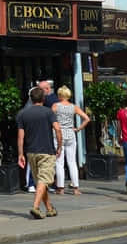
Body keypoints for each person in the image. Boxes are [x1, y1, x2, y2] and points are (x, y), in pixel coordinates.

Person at [17, 85, 62, 219]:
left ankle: (49, 208)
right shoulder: (48, 112)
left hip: (31, 152)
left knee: (40, 182)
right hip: (47, 151)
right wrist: (59, 146)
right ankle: (35, 207)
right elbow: (58, 129)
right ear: (43, 98)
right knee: (43, 180)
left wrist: (20, 154)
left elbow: (20, 136)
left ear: (31, 98)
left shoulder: (22, 114)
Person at [52, 85, 89, 195]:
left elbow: (49, 118)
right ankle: (76, 188)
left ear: (59, 95)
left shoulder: (55, 106)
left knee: (59, 162)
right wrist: (78, 129)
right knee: (72, 162)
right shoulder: (73, 107)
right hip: (71, 134)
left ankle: (60, 188)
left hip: (58, 134)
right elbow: (87, 118)